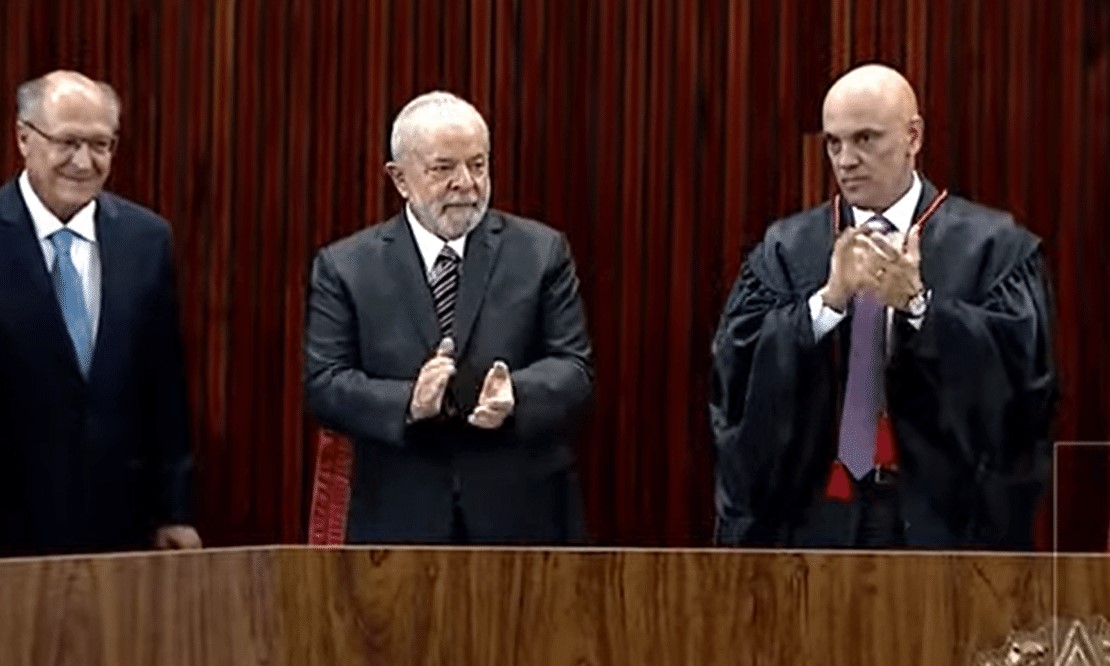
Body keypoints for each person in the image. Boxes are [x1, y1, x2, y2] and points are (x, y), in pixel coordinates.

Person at [710, 63, 1057, 550]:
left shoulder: (994, 249)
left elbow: (1023, 390)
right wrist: (825, 306)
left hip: (946, 525)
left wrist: (920, 309)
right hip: (816, 520)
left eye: (865, 139)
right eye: (834, 143)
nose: (846, 160)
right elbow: (736, 375)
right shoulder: (787, 250)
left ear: (914, 136)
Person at [304, 91, 594, 544]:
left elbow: (574, 369)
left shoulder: (541, 251)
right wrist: (409, 402)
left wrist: (515, 394)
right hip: (397, 520)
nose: (466, 183)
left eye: (478, 165)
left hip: (521, 518)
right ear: (400, 179)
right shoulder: (346, 266)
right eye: (443, 168)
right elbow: (324, 385)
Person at [0, 71, 200, 555]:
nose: (83, 162)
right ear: (24, 138)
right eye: (68, 142)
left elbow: (164, 388)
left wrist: (174, 511)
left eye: (100, 145)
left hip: (119, 528)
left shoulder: (146, 240)